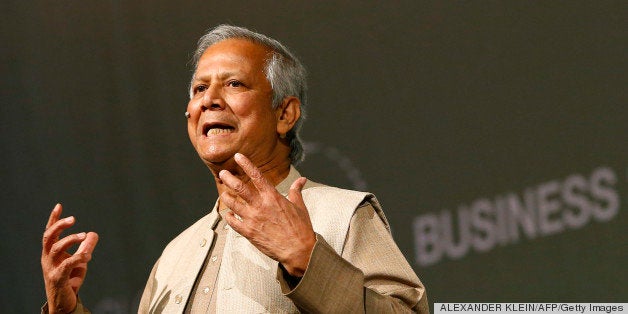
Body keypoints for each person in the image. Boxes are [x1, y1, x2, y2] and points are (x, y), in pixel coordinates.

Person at [41, 24, 429, 313]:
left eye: (234, 85)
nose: (209, 100)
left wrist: (307, 259)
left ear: (284, 113)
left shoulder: (342, 214)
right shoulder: (175, 255)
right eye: (198, 89)